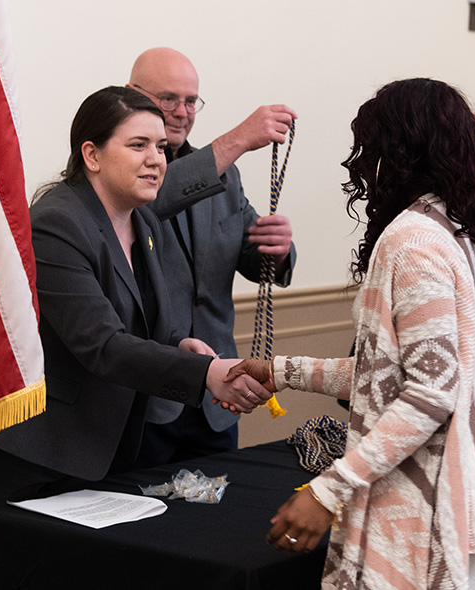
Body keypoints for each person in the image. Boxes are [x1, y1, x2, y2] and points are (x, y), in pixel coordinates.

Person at [0, 87, 271, 590]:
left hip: (87, 455)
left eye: (160, 148)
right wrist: (206, 374)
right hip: (21, 460)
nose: (156, 160)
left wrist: (179, 343)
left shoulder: (142, 218)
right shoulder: (58, 223)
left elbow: (148, 318)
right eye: (138, 146)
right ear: (91, 155)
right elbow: (102, 344)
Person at [227, 78, 475, 590]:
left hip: (435, 511)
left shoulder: (413, 241)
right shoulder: (453, 230)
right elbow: (392, 375)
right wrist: (283, 370)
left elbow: (429, 394)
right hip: (460, 503)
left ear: (395, 151)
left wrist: (328, 490)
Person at [127, 47, 298, 462]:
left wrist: (275, 249)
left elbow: (253, 260)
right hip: (147, 401)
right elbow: (155, 200)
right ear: (132, 94)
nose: (182, 112)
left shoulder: (225, 176)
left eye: (191, 101)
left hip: (216, 402)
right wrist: (240, 137)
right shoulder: (125, 168)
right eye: (168, 99)